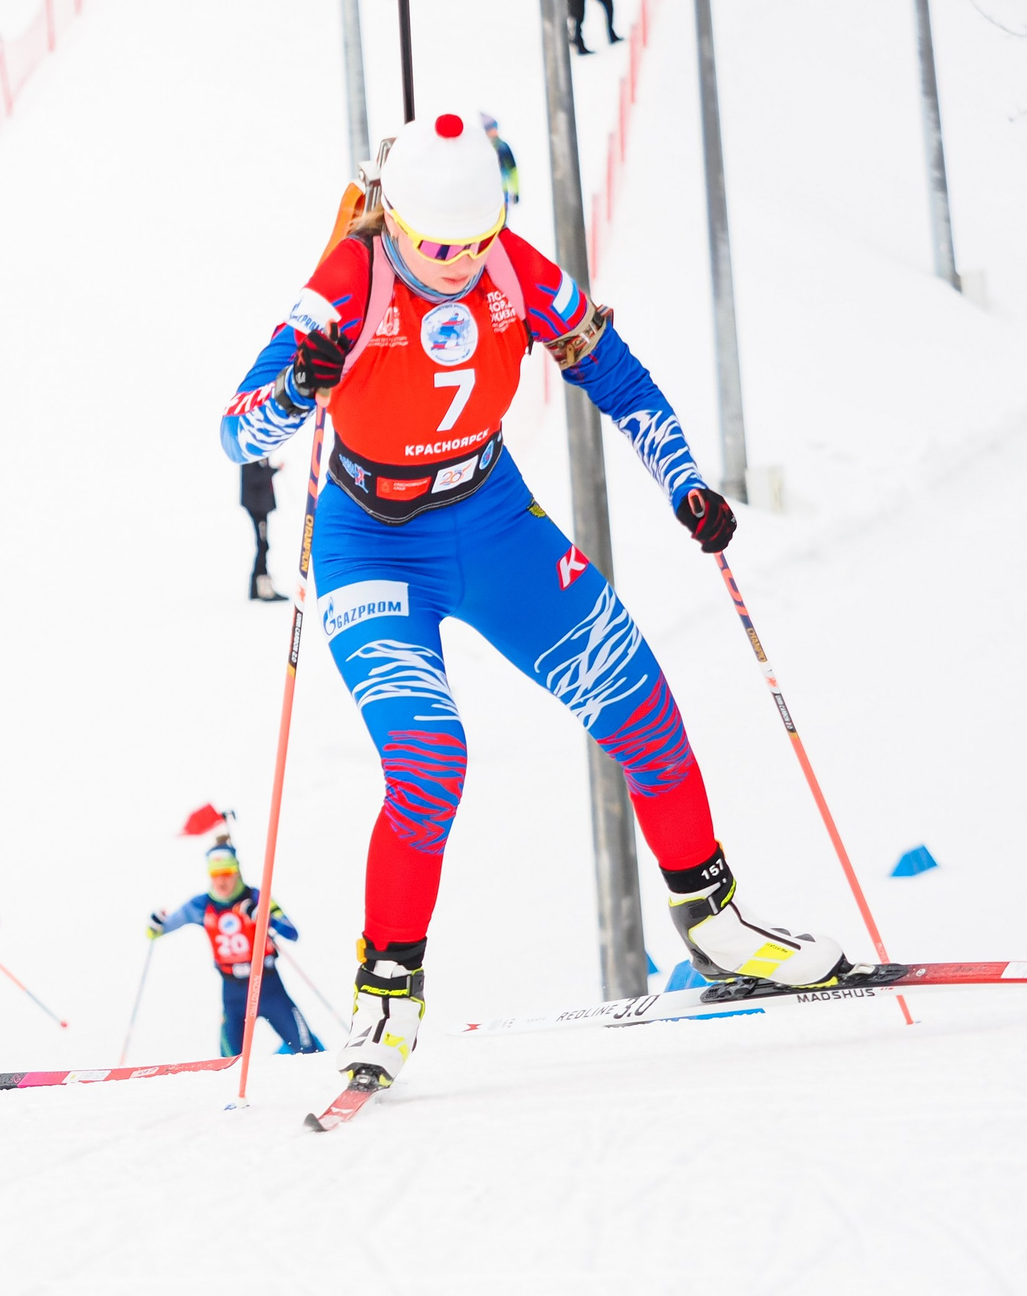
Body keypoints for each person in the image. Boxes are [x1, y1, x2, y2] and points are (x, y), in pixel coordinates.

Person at [218, 107, 844, 1094]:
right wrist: (301, 386)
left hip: (493, 520)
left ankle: (717, 924)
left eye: (476, 240)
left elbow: (620, 379)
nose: (461, 263)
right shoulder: (349, 279)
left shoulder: (512, 265)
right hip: (370, 543)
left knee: (639, 701)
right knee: (429, 760)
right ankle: (386, 992)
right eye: (438, 246)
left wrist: (682, 481)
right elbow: (236, 433)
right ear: (394, 219)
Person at [147, 841, 323, 1058]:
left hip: (269, 987)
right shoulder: (201, 905)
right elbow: (157, 931)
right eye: (216, 873)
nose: (222, 880)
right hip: (234, 992)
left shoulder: (257, 897)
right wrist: (155, 924)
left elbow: (291, 933)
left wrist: (263, 917)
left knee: (308, 1050)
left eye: (228, 872)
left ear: (237, 871)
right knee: (228, 1062)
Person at [241, 459, 281, 600]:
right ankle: (261, 588)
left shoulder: (257, 455)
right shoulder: (250, 456)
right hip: (257, 507)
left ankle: (257, 588)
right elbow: (254, 479)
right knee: (263, 546)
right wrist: (273, 470)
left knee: (263, 546)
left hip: (260, 506)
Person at [481, 111, 520, 211]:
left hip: (502, 191)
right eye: (490, 128)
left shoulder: (503, 147)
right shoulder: (482, 148)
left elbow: (512, 170)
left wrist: (515, 191)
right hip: (485, 194)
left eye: (494, 127)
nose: (494, 131)